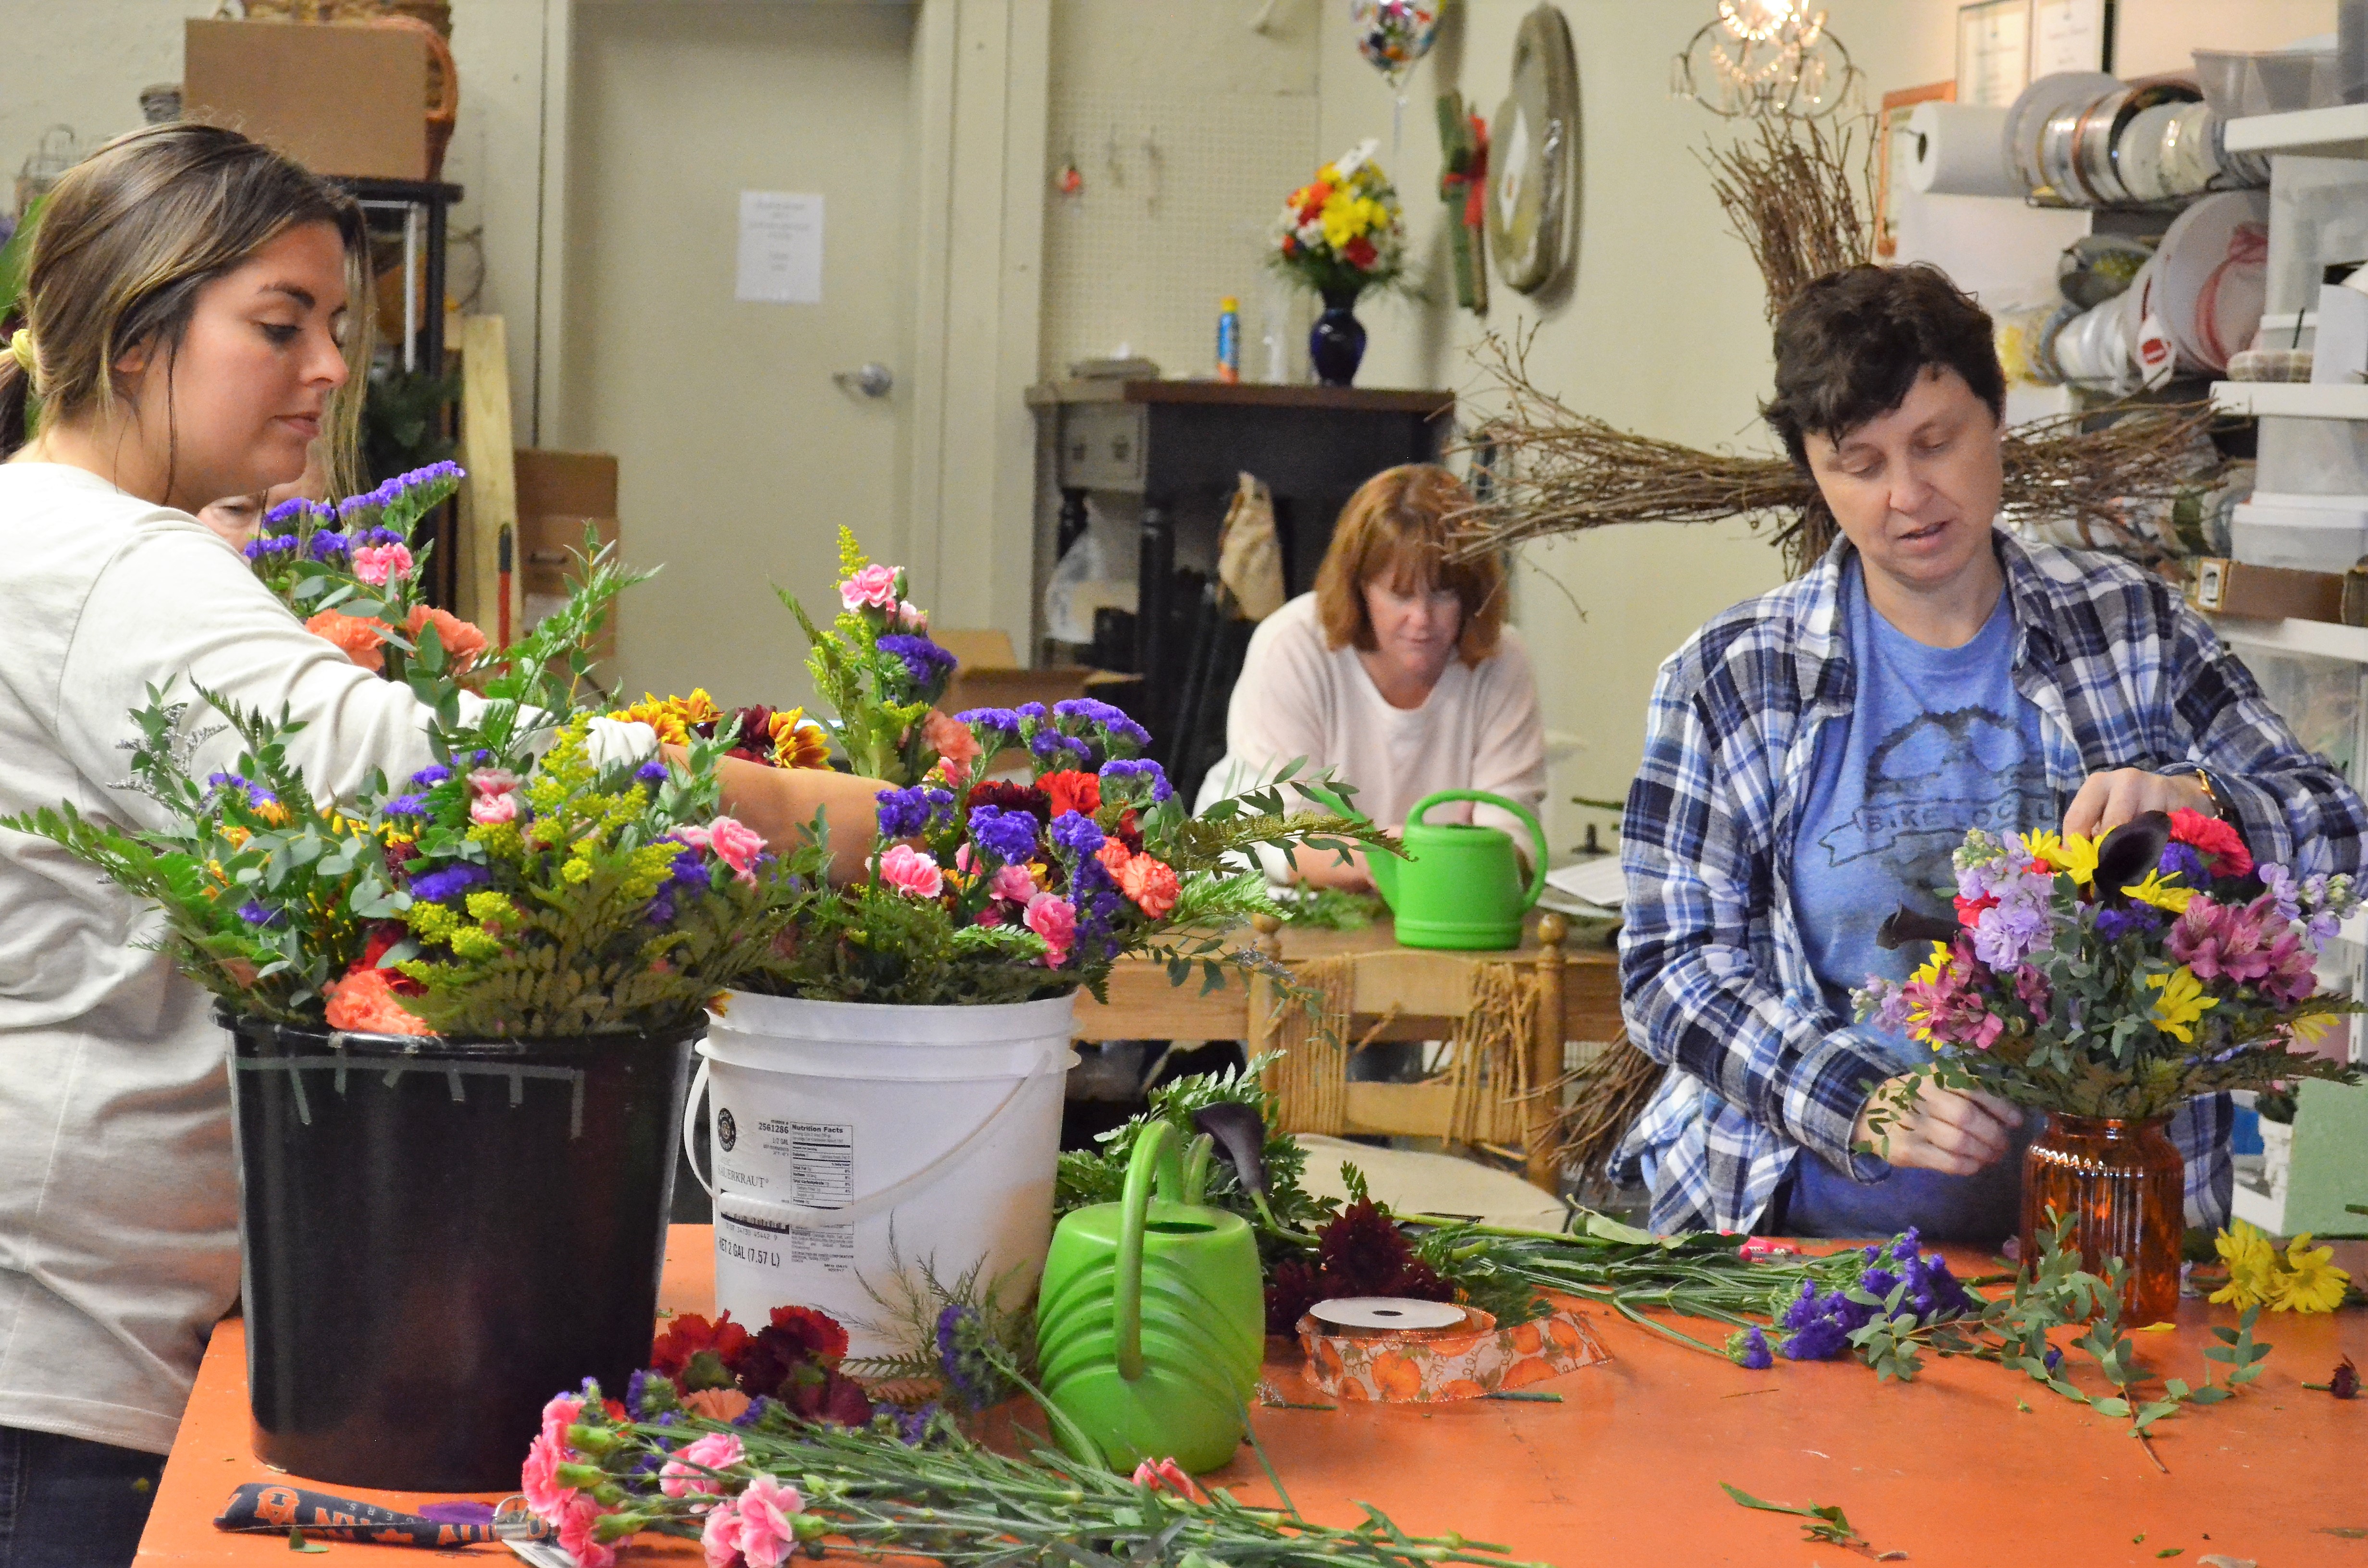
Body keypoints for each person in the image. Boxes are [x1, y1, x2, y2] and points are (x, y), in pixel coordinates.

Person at [0, 125, 878, 1567]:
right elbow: (402, 780)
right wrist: (773, 811)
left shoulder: (51, 532)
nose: (333, 368)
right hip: (66, 1376)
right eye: (279, 325)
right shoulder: (113, 562)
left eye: (336, 326)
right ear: (137, 334)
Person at [1616, 263, 2368, 1243]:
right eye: (1860, 463)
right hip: (1807, 1245)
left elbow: (2343, 841)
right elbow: (1672, 971)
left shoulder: (2129, 627)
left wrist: (2202, 808)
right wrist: (1859, 1101)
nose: (1907, 495)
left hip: (2111, 1238)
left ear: (1997, 417)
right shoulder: (1730, 679)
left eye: (1936, 442)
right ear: (1812, 469)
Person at [1197, 463, 1546, 891]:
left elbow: (1514, 838)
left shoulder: (1503, 659)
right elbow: (1276, 839)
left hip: (1436, 896)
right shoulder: (1291, 646)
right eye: (1400, 595)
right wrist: (1384, 856)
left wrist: (1453, 859)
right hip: (1269, 901)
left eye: (1443, 593)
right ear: (1359, 588)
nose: (1422, 619)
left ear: (1473, 592)